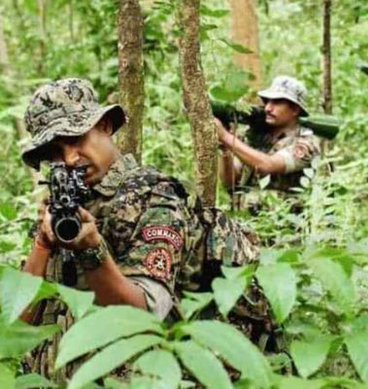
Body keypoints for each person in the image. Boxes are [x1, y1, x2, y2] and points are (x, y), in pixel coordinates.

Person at [19, 78, 268, 382]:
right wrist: (43, 244)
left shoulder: (155, 197)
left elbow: (143, 312)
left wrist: (91, 250)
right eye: (54, 153)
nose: (69, 159)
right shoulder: (63, 208)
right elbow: (19, 326)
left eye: (75, 140)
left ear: (106, 125)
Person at [216, 76, 321, 213]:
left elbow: (268, 165)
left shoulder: (306, 143)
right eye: (267, 101)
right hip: (244, 222)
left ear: (295, 109)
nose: (268, 108)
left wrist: (226, 137)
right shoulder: (254, 135)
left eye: (277, 102)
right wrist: (225, 150)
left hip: (280, 226)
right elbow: (230, 182)